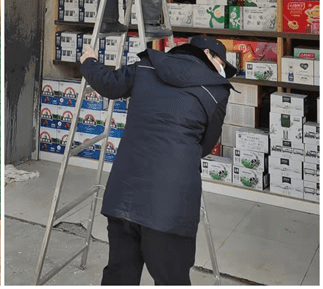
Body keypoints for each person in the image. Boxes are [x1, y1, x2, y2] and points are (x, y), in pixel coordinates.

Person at [79, 34, 238, 285]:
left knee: (120, 275)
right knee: (171, 279)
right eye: (222, 63)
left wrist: (89, 61)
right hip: (170, 206)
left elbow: (109, 84)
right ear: (208, 55)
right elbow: (205, 145)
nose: (223, 69)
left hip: (124, 195)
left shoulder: (146, 64)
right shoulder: (216, 90)